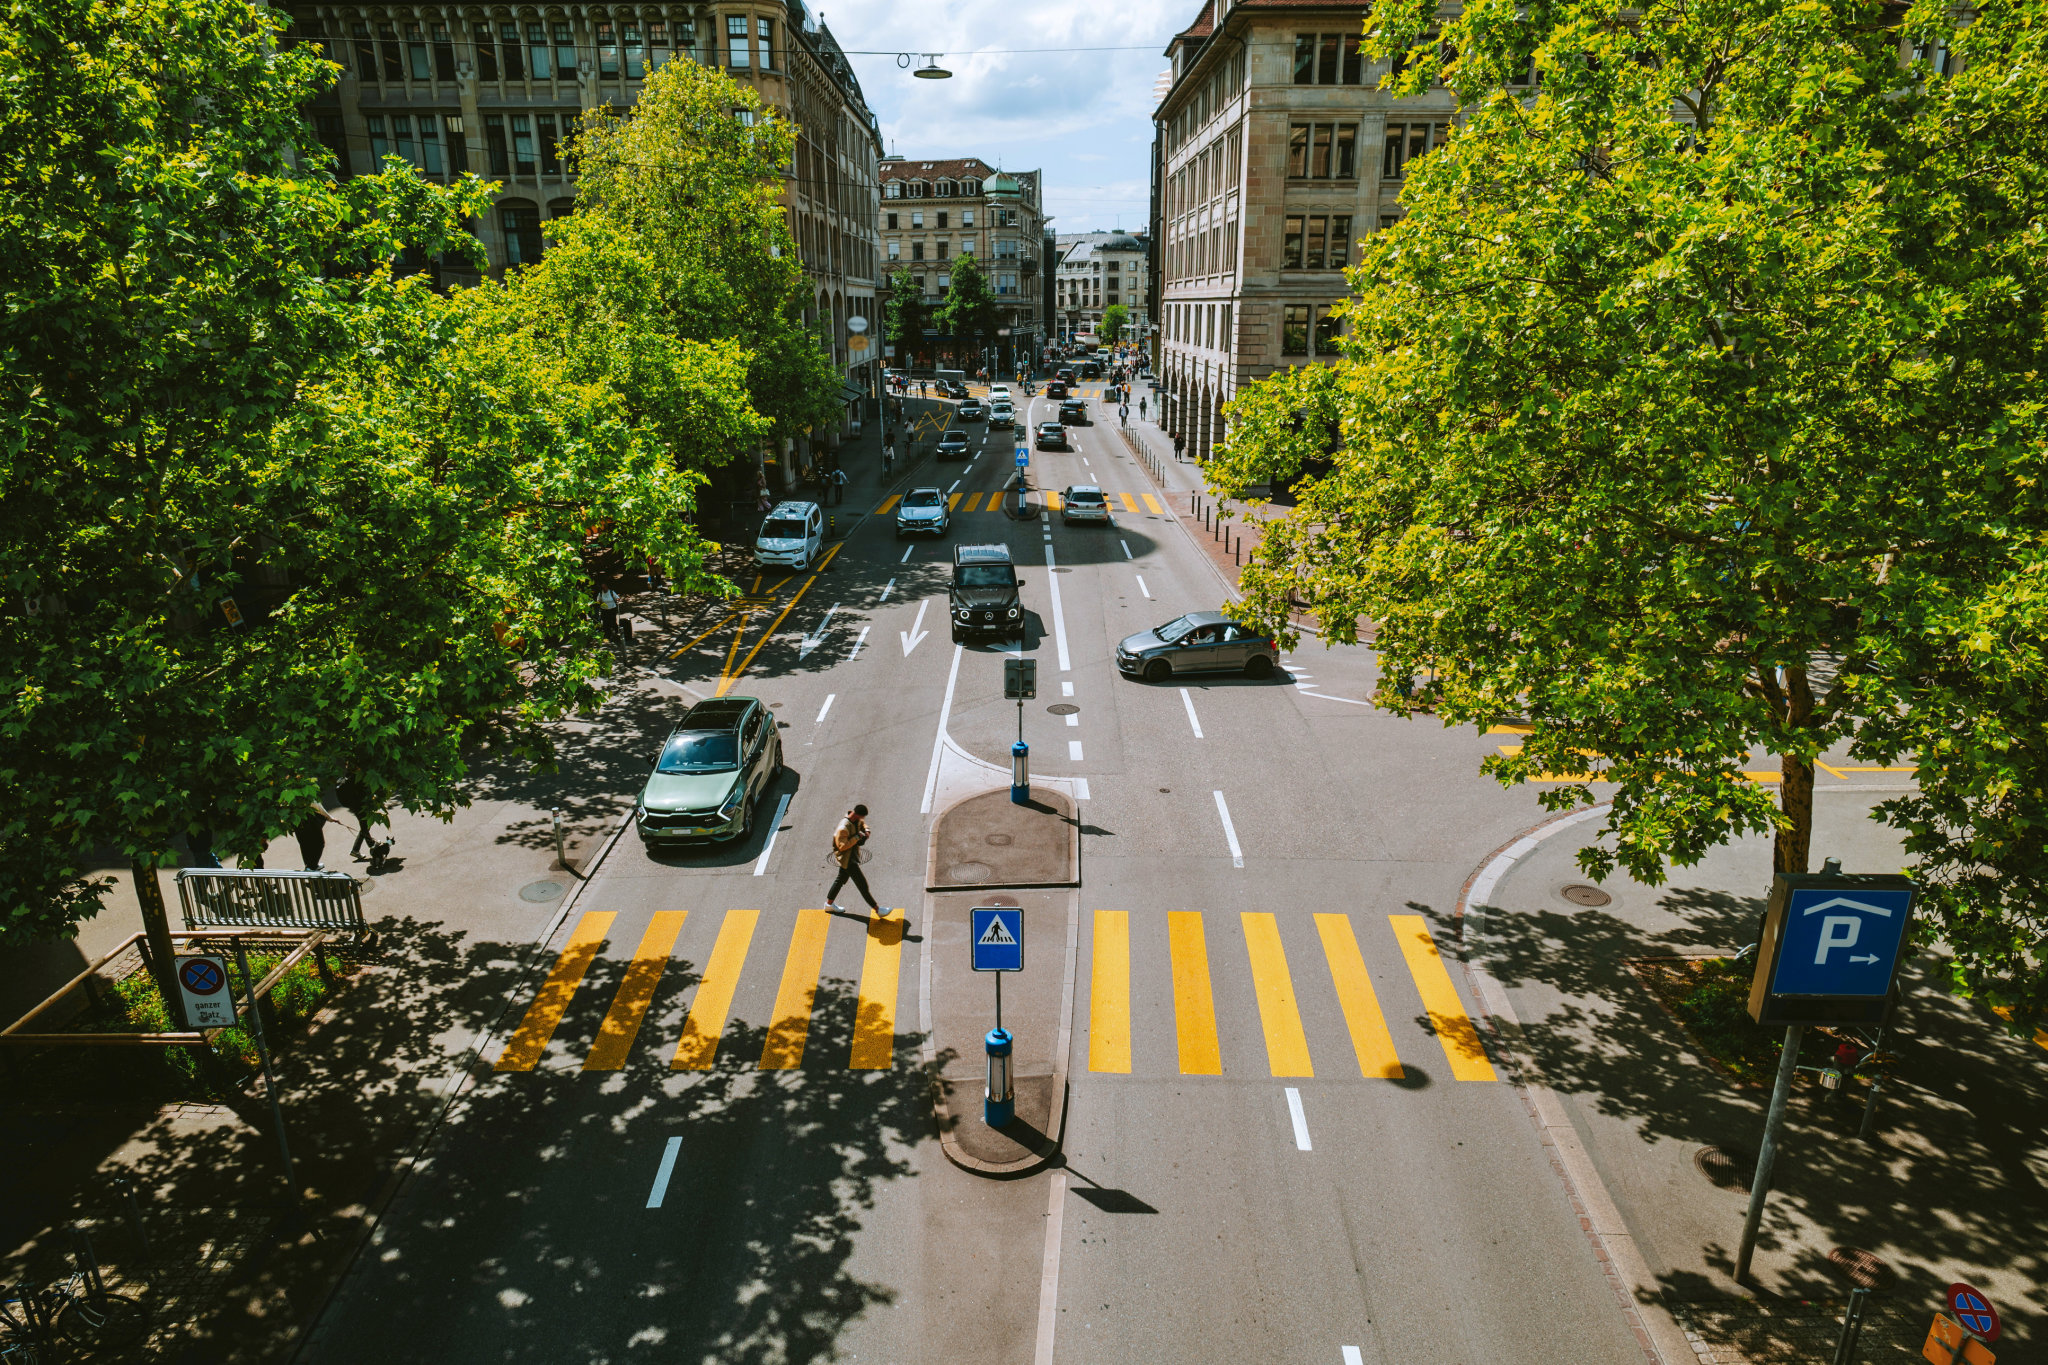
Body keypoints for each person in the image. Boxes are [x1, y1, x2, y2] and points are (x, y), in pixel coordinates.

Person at [827, 804, 880, 913]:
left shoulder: (855, 819)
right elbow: (842, 846)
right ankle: (878, 910)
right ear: (857, 815)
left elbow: (862, 823)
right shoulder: (843, 828)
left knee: (840, 880)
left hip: (851, 856)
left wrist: (867, 830)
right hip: (848, 859)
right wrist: (857, 837)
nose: (863, 819)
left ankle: (829, 904)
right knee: (863, 886)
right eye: (862, 817)